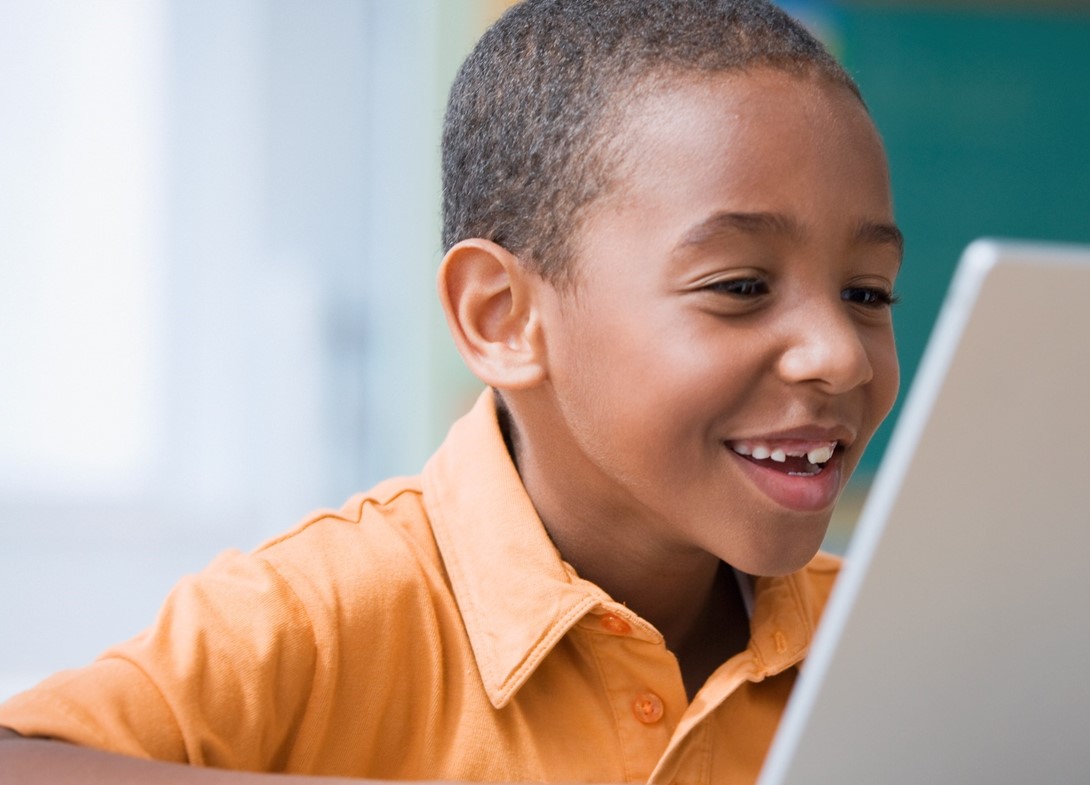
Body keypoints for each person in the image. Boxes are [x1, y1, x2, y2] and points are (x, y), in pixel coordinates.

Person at [0, 0, 902, 781]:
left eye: (867, 294)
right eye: (740, 287)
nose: (839, 355)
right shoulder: (317, 614)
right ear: (503, 318)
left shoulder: (894, 640)